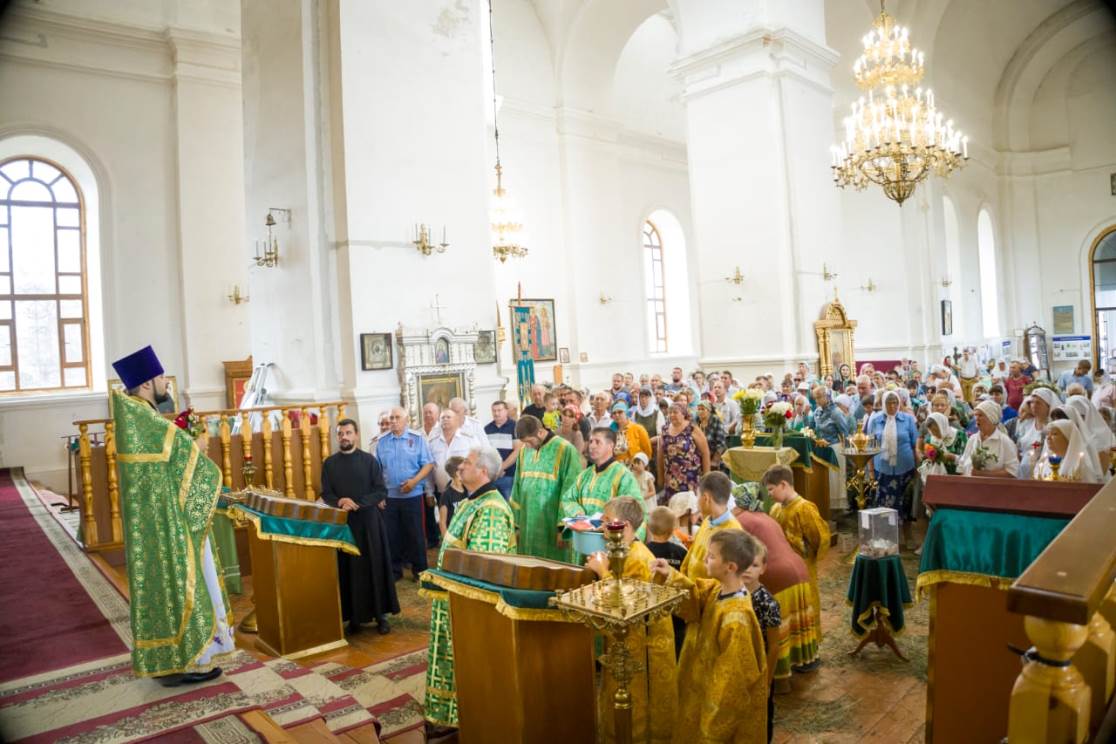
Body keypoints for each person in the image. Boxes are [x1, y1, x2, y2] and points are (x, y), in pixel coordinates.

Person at [110, 346, 233, 686]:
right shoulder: (146, 420)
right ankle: (184, 661)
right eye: (162, 376)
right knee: (178, 583)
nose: (166, 382)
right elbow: (192, 461)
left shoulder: (134, 415)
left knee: (163, 587)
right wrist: (199, 448)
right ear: (147, 383)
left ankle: (170, 662)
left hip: (154, 519)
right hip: (167, 521)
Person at [424, 447, 516, 734]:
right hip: (452, 596)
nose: (460, 467)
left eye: (467, 463)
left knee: (466, 660)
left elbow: (484, 570)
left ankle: (464, 714)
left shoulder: (490, 509)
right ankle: (448, 714)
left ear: (483, 472)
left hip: (468, 606)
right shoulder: (472, 501)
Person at [651, 530, 767, 743]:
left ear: (730, 567)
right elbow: (692, 600)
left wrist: (711, 729)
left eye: (712, 556)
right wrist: (670, 574)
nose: (705, 558)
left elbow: (731, 684)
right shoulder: (716, 588)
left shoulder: (736, 619)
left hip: (714, 709)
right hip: (698, 690)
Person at [585, 497, 676, 743]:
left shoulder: (636, 558)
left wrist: (602, 572)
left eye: (606, 521)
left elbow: (623, 608)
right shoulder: (624, 552)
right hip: (623, 646)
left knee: (633, 709)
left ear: (623, 525)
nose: (601, 527)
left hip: (637, 649)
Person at [320, 418, 399, 635]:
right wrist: (340, 502)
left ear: (356, 435)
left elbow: (380, 491)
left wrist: (358, 504)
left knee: (374, 566)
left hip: (369, 522)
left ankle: (380, 615)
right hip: (343, 525)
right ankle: (353, 617)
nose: (344, 437)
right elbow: (326, 493)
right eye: (340, 433)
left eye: (348, 433)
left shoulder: (369, 461)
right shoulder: (329, 463)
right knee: (348, 569)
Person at [732, 483, 818, 678]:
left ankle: (780, 679)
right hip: (798, 570)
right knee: (796, 621)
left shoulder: (740, 520)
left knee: (776, 633)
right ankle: (803, 663)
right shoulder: (763, 515)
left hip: (777, 575)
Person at [765, 464, 829, 647]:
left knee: (807, 602)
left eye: (771, 489)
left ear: (784, 484)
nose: (769, 494)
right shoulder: (776, 509)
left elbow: (819, 537)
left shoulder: (804, 508)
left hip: (803, 568)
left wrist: (802, 550)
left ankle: (810, 645)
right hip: (783, 571)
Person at [509, 415, 583, 561]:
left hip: (552, 527)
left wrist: (562, 528)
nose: (528, 446)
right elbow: (517, 487)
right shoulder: (524, 451)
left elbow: (570, 491)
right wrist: (516, 526)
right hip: (528, 526)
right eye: (525, 443)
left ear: (541, 432)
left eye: (529, 442)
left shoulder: (565, 450)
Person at [377, 407, 434, 581]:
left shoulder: (417, 439)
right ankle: (395, 571)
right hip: (390, 497)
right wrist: (379, 495)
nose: (393, 421)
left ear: (406, 419)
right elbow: (377, 471)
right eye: (391, 418)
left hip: (413, 495)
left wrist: (414, 482)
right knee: (392, 536)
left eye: (397, 417)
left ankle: (420, 571)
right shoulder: (382, 442)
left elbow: (428, 464)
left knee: (415, 535)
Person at [560, 428, 643, 524]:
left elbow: (635, 510)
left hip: (610, 535)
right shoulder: (584, 475)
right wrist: (577, 512)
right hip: (583, 535)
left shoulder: (623, 476)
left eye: (597, 442)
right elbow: (568, 498)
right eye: (591, 441)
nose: (592, 446)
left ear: (610, 446)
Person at [742, 540, 781, 744]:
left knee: (763, 713)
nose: (748, 570)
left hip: (760, 667)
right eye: (745, 563)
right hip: (739, 666)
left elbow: (774, 645)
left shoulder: (768, 603)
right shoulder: (733, 593)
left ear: (763, 568)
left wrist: (766, 681)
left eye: (754, 565)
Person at [866, 391, 919, 523]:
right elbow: (870, 448)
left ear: (899, 403)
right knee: (882, 501)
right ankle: (885, 528)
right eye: (888, 403)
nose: (892, 406)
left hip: (904, 467)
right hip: (882, 468)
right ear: (883, 404)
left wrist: (918, 467)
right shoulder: (876, 420)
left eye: (895, 402)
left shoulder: (908, 419)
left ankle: (903, 532)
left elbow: (915, 445)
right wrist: (871, 470)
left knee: (903, 499)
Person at [679, 471, 743, 582]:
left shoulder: (733, 533)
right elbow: (691, 556)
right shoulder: (707, 521)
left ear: (706, 498)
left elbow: (729, 578)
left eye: (697, 496)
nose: (697, 502)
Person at [646, 505, 689, 657]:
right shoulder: (681, 552)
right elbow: (686, 578)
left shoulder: (644, 551)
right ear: (673, 530)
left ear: (649, 528)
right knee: (677, 647)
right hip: (675, 610)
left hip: (651, 609)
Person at [658, 402, 710, 502]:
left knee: (690, 508)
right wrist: (660, 478)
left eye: (675, 412)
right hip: (671, 478)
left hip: (690, 478)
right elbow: (660, 455)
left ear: (683, 414)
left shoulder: (692, 429)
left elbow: (705, 452)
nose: (672, 415)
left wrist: (707, 477)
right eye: (670, 412)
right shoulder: (664, 430)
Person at [958, 400, 1019, 477]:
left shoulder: (1005, 441)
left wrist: (983, 474)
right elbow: (962, 466)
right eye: (975, 415)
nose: (976, 418)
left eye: (980, 415)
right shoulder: (972, 439)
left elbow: (1012, 472)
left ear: (991, 418)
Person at [1033, 419, 1104, 482]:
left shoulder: (1080, 466)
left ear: (1068, 438)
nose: (1048, 437)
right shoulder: (1043, 463)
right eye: (1048, 434)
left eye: (1054, 434)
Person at [485, 400, 519, 498]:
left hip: (509, 475)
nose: (496, 413)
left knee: (509, 505)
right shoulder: (487, 429)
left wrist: (501, 467)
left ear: (506, 411)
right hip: (492, 476)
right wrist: (494, 471)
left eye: (499, 410)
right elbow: (487, 452)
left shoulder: (515, 426)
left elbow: (517, 451)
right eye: (494, 411)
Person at [611, 401, 652, 466]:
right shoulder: (610, 431)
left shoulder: (638, 428)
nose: (617, 415)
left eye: (620, 412)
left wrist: (643, 466)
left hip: (635, 467)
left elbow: (648, 451)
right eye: (614, 413)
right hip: (617, 469)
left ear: (626, 413)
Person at [694, 400, 727, 470]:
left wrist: (715, 460)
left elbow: (721, 444)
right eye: (698, 409)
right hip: (698, 457)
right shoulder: (696, 421)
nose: (700, 412)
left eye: (703, 409)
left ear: (709, 410)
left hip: (713, 457)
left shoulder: (715, 420)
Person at [438, 455, 467, 534]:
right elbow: (442, 522)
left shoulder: (469, 488)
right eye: (464, 468)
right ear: (457, 473)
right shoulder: (446, 494)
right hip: (454, 535)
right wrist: (447, 542)